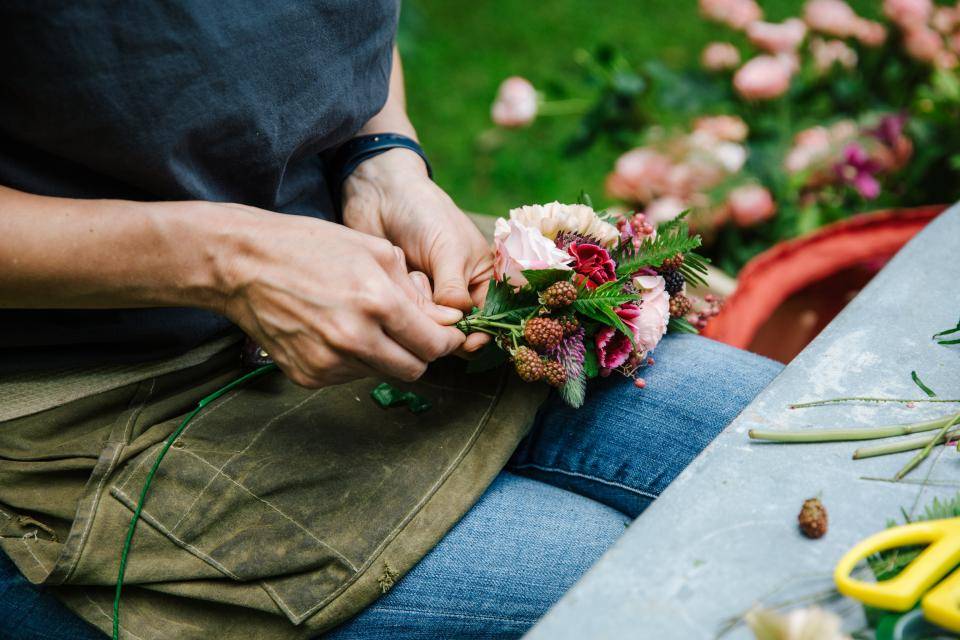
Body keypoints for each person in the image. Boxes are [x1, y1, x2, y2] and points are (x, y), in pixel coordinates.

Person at [0, 3, 783, 639]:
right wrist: (228, 261)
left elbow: (332, 36)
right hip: (94, 403)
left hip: (369, 270)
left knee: (810, 456)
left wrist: (381, 157)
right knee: (648, 596)